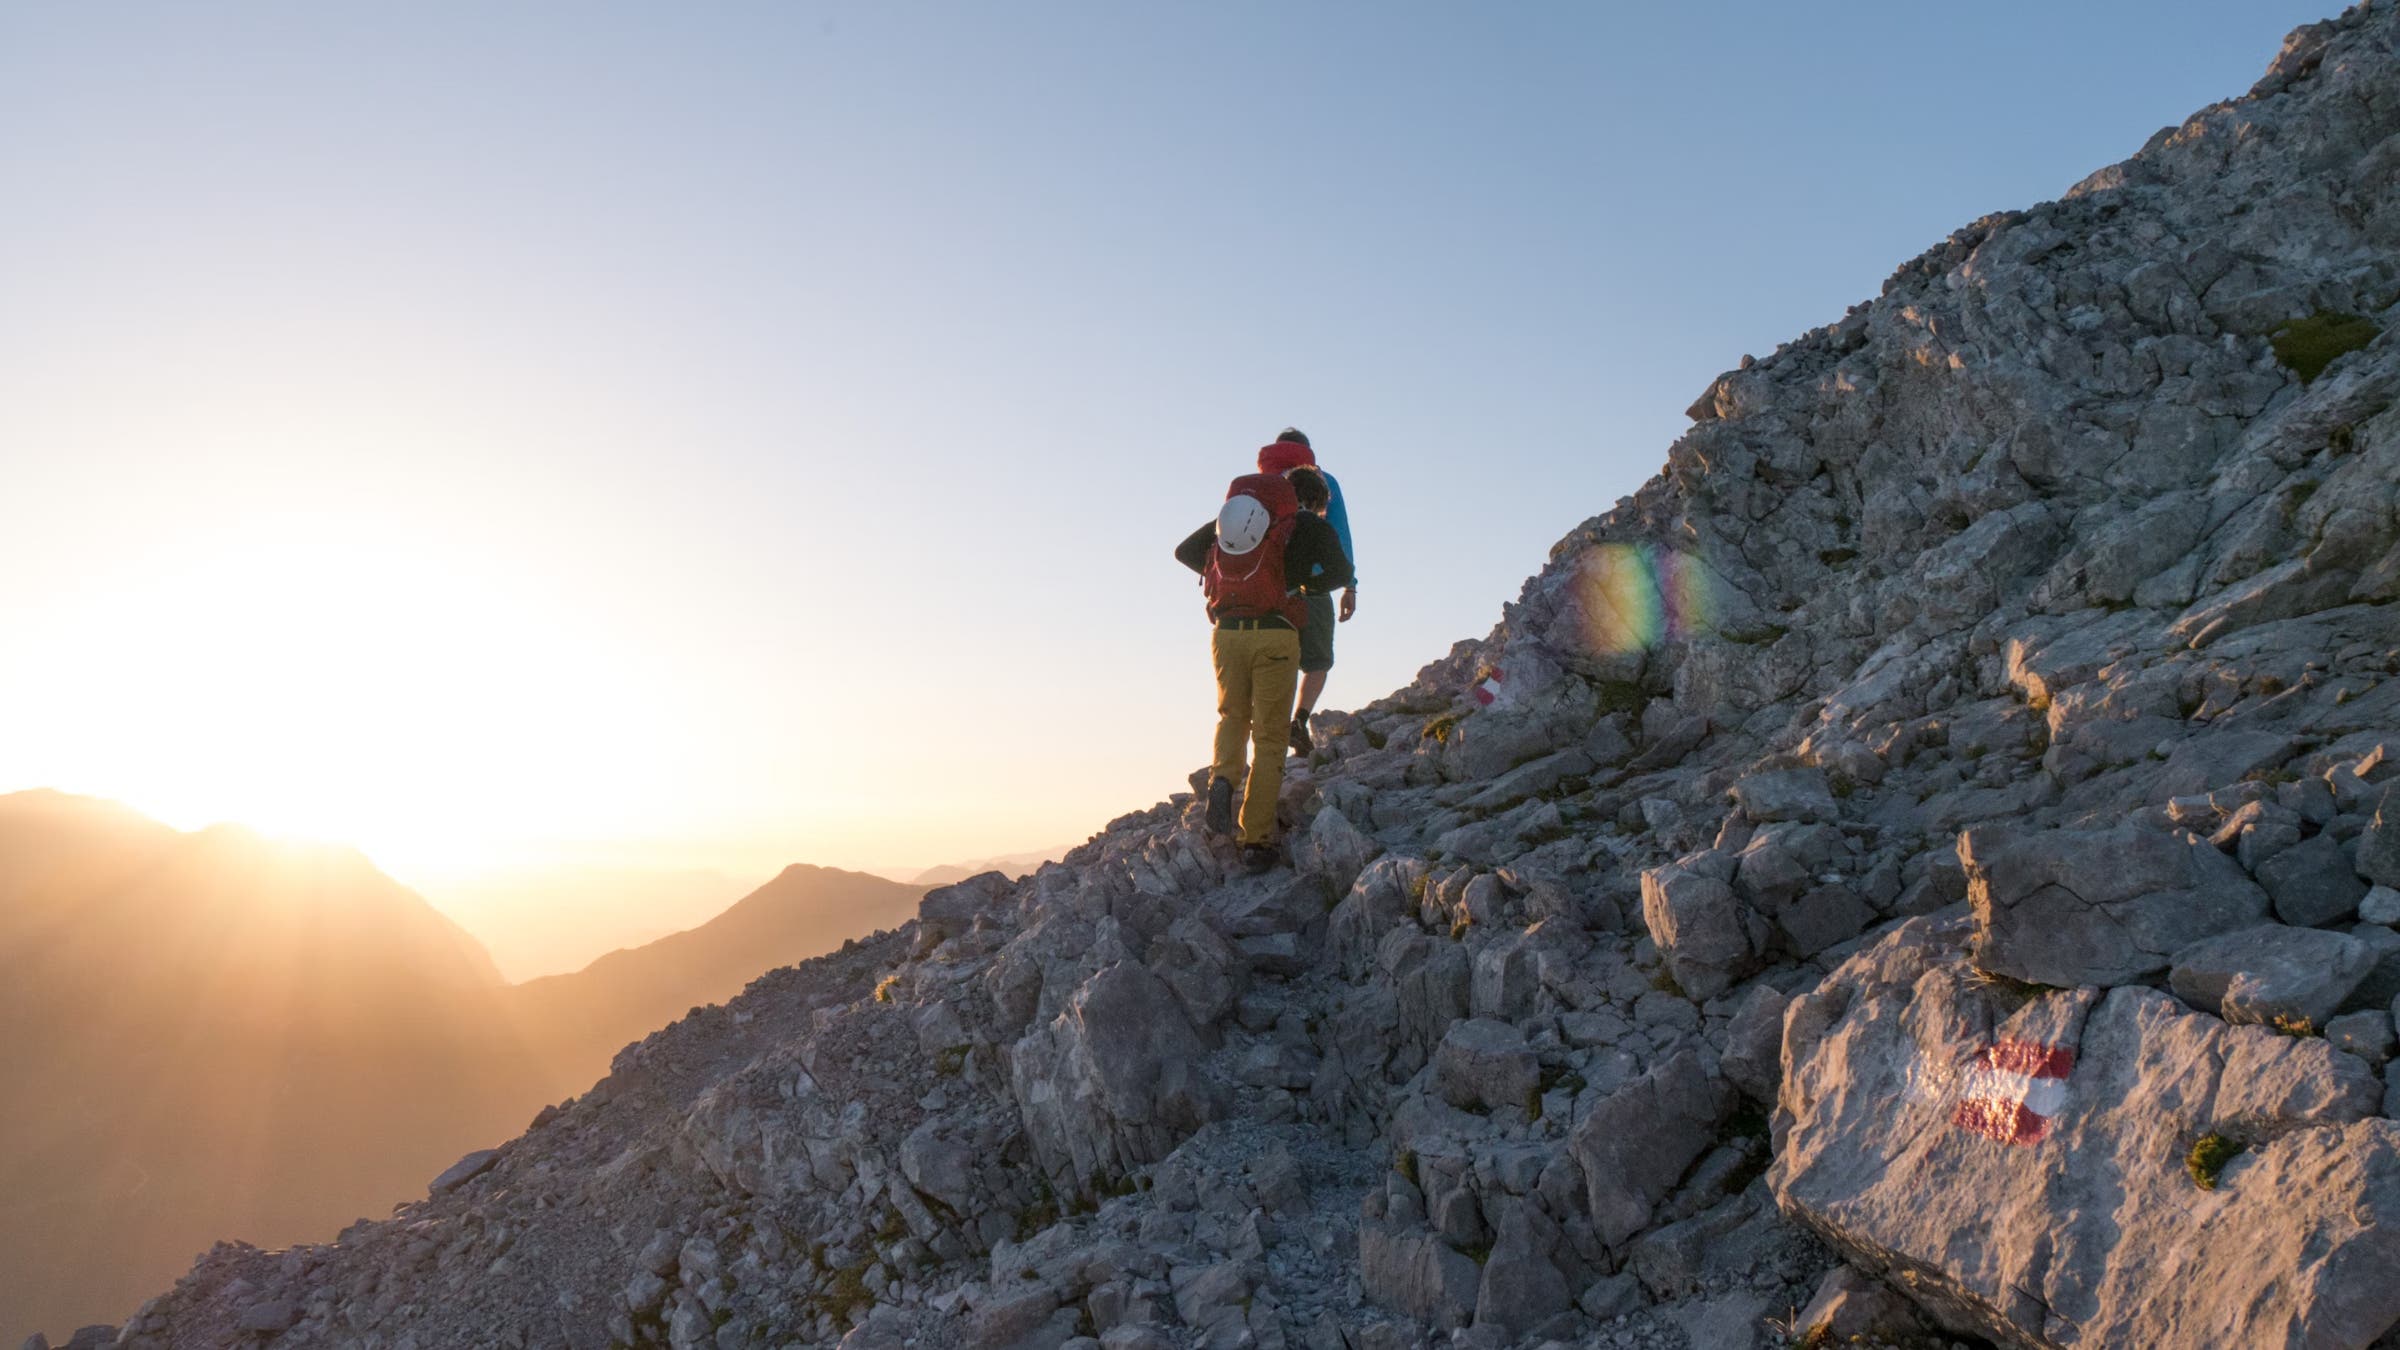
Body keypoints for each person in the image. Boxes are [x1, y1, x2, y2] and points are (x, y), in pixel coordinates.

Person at [1176, 461, 1355, 873]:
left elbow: (1185, 552)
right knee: (1271, 737)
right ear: (1317, 501)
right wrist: (1298, 585)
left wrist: (1220, 579)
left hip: (1226, 634)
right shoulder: (1308, 526)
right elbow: (1340, 572)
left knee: (1232, 716)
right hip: (1276, 633)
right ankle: (1256, 840)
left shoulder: (1247, 516)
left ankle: (1222, 780)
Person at [1255, 429, 1355, 754]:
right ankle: (1298, 722)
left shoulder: (1262, 486)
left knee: (1277, 660)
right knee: (1318, 660)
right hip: (1313, 583)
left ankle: (1269, 733)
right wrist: (1349, 586)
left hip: (1267, 587)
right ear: (1308, 452)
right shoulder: (1325, 482)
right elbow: (1340, 534)